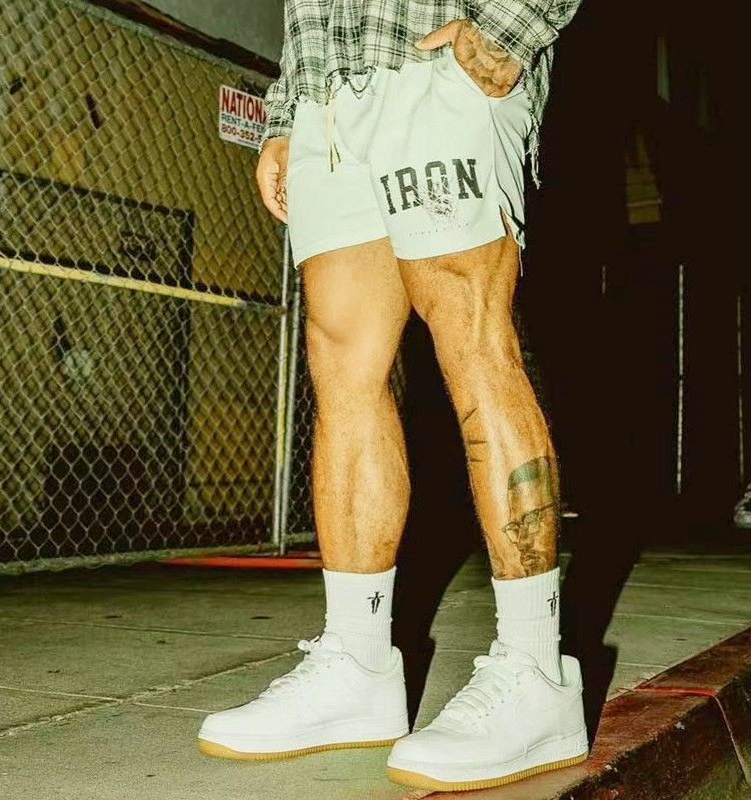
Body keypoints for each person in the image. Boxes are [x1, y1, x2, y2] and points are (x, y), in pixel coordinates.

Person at [198, 1, 587, 791]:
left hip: (437, 64)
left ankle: (536, 671)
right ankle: (357, 664)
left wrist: (511, 26)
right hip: (329, 98)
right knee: (341, 364)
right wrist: (289, 108)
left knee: (473, 341)